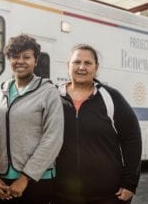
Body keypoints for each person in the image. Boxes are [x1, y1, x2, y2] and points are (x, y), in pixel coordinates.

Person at [53, 44, 142, 204]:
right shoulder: (53, 96)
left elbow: (132, 139)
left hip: (108, 195)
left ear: (96, 68)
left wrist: (130, 183)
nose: (81, 67)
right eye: (76, 62)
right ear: (68, 65)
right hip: (63, 195)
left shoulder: (111, 97)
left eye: (88, 63)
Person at [0, 34, 64, 204]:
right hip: (2, 181)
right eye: (15, 56)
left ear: (36, 60)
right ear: (9, 60)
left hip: (37, 180)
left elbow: (53, 138)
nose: (20, 61)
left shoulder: (48, 92)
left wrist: (25, 177)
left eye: (26, 57)